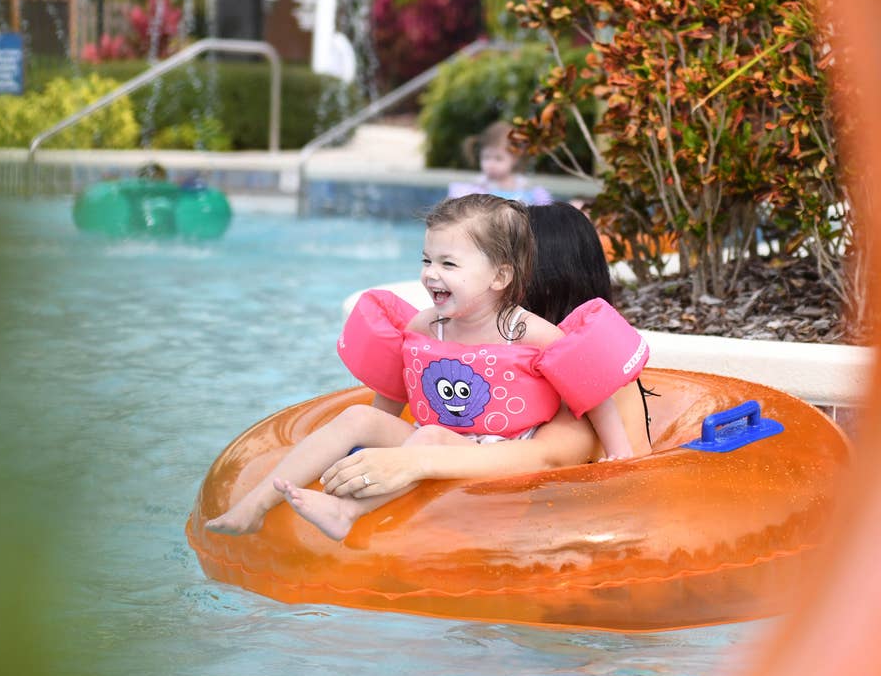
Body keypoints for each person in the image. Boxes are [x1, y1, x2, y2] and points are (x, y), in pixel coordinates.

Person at [205, 194, 648, 542]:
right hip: (453, 447)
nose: (432, 273)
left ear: (510, 276)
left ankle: (348, 509)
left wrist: (413, 463)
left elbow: (557, 452)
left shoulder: (542, 341)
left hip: (523, 499)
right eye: (428, 260)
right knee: (366, 420)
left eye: (451, 263)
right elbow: (391, 399)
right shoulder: (434, 325)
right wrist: (374, 446)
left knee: (431, 436)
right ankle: (258, 503)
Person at [447, 120, 553, 205]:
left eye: (498, 159)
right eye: (486, 157)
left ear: (515, 158)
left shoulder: (525, 187)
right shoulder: (477, 187)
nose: (490, 164)